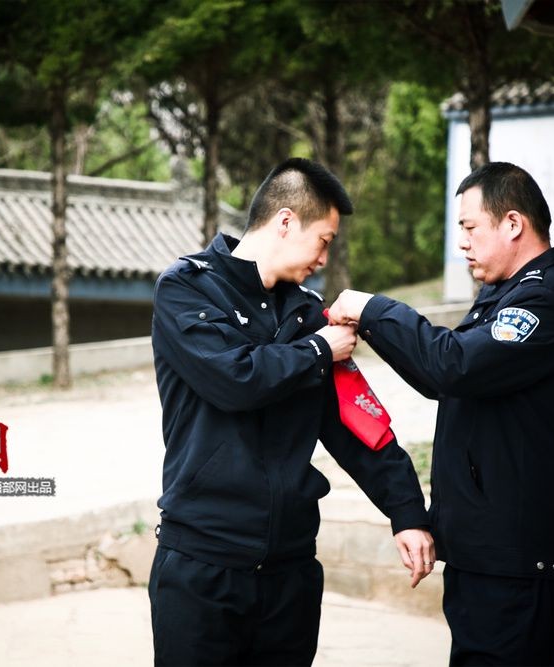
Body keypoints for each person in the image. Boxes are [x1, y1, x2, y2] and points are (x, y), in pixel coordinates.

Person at [148, 157, 435, 666]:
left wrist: (407, 513)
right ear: (285, 221)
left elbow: (357, 422)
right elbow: (233, 379)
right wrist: (319, 350)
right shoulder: (186, 289)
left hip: (290, 572)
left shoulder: (306, 314)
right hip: (202, 564)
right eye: (323, 240)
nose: (324, 258)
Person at [328, 161, 554, 666]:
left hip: (518, 568)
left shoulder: (547, 299)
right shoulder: (506, 294)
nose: (463, 243)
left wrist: (373, 310)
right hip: (488, 558)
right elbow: (442, 379)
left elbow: (453, 365)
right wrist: (373, 330)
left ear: (513, 223)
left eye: (471, 227)